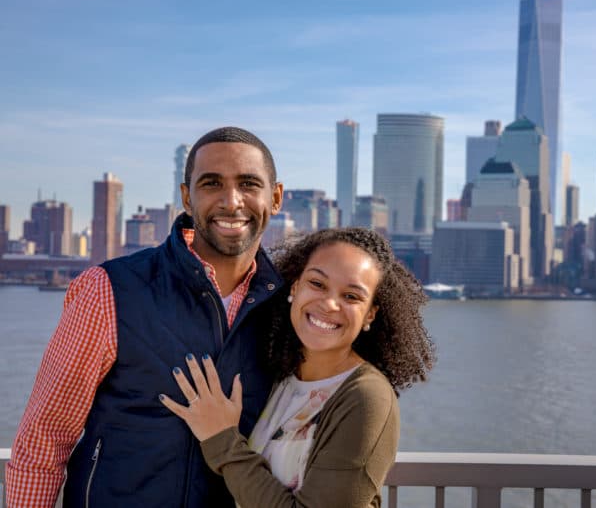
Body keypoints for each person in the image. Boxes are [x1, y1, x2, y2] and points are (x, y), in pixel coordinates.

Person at [6, 126, 285, 507]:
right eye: (211, 183)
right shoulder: (108, 291)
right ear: (187, 197)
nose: (231, 201)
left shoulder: (290, 307)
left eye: (248, 184)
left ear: (276, 197)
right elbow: (45, 438)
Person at [160, 227, 435, 507]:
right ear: (295, 287)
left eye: (351, 297)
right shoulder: (280, 374)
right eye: (317, 284)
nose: (329, 304)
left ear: (370, 314)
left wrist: (221, 440)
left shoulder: (366, 398)